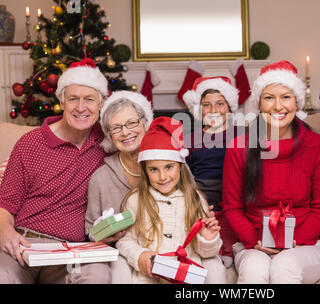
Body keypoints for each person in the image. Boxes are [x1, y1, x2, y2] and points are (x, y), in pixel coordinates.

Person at [0, 58, 111, 283]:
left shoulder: (107, 144)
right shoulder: (30, 143)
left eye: (89, 99)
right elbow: (5, 204)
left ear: (101, 103)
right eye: (73, 99)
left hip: (71, 251)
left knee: (97, 275)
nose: (81, 107)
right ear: (61, 101)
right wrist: (6, 231)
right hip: (24, 243)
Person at [222, 61, 320, 284]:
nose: (278, 106)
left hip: (306, 243)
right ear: (260, 104)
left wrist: (294, 242)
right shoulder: (239, 148)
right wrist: (255, 241)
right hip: (254, 241)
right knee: (254, 270)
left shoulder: (316, 145)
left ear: (297, 102)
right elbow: (232, 207)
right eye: (269, 97)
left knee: (284, 267)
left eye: (286, 97)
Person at [116, 116, 227, 284]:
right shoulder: (135, 200)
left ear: (180, 167)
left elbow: (206, 253)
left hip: (188, 277)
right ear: (145, 170)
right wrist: (140, 256)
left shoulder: (195, 199)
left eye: (169, 167)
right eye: (154, 169)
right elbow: (125, 240)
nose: (162, 177)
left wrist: (207, 239)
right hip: (148, 278)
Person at [85, 90, 153, 283]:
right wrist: (104, 235)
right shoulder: (100, 178)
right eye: (116, 128)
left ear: (145, 123)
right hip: (121, 254)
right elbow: (90, 230)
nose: (125, 132)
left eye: (131, 123)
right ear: (108, 135)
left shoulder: (167, 164)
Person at [182, 76, 242, 268]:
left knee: (231, 216)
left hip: (233, 197)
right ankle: (210, 248)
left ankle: (230, 248)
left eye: (220, 104)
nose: (214, 110)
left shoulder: (242, 134)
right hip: (203, 198)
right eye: (207, 105)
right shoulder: (190, 140)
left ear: (230, 107)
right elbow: (186, 175)